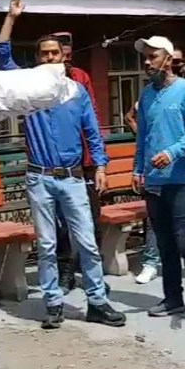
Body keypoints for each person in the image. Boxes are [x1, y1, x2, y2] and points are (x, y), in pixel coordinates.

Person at [0, 0, 125, 329]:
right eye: (44, 53)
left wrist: (102, 167)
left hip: (73, 178)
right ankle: (53, 304)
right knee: (48, 245)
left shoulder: (75, 91)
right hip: (40, 179)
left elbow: (93, 133)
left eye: (55, 52)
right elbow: (0, 58)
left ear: (64, 57)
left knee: (88, 243)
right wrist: (11, 18)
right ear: (38, 58)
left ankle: (97, 302)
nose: (50, 57)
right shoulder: (28, 87)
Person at [132, 37, 185, 328]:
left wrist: (171, 152)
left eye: (153, 57)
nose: (147, 62)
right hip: (154, 182)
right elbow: (142, 137)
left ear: (168, 59)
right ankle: (172, 299)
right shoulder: (147, 96)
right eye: (146, 57)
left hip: (182, 180)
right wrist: (137, 168)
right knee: (164, 244)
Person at [50, 30, 105, 294]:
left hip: (85, 162)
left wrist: (99, 161)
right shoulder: (41, 83)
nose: (66, 61)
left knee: (92, 216)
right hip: (56, 164)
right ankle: (65, 271)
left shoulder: (81, 78)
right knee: (60, 220)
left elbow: (92, 116)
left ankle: (92, 270)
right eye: (63, 56)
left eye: (69, 56)